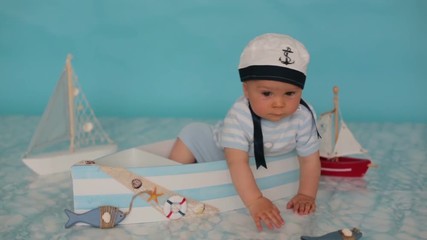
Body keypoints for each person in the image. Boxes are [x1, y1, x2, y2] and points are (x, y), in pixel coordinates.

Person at [168, 33, 321, 231]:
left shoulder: (303, 115)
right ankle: (172, 174)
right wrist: (255, 200)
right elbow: (236, 162)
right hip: (217, 150)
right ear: (246, 91)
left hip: (249, 162)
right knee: (192, 133)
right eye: (267, 93)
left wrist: (306, 194)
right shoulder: (240, 115)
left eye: (290, 93)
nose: (279, 103)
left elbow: (310, 159)